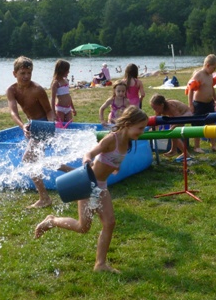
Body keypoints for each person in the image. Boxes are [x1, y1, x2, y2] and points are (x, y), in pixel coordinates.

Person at [34, 106, 149, 274]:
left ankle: (100, 264)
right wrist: (87, 158)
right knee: (83, 227)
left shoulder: (128, 141)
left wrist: (115, 166)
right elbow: (92, 152)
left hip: (102, 186)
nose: (142, 131)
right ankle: (51, 221)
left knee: (110, 223)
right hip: (88, 185)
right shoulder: (112, 139)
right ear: (128, 124)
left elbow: (114, 159)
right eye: (140, 128)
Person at [6, 56, 55, 209]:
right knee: (37, 160)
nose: (26, 76)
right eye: (22, 73)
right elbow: (13, 112)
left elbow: (48, 110)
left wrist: (51, 127)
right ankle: (83, 173)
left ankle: (44, 198)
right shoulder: (11, 90)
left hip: (43, 124)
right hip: (31, 125)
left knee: (28, 159)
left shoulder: (37, 90)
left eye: (29, 73)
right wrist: (23, 126)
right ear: (15, 74)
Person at [187, 54, 216, 153]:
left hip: (209, 103)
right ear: (207, 65)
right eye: (213, 68)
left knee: (212, 124)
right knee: (197, 125)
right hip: (199, 104)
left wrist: (215, 98)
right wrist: (190, 104)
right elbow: (191, 89)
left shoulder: (210, 75)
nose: (214, 70)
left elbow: (211, 87)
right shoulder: (199, 75)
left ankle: (214, 145)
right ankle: (196, 146)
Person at [149, 94, 193, 159]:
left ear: (161, 105)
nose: (154, 110)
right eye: (153, 108)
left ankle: (174, 150)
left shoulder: (171, 106)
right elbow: (156, 120)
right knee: (172, 132)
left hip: (185, 114)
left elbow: (178, 119)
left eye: (155, 108)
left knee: (172, 131)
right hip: (174, 117)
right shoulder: (160, 109)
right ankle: (183, 153)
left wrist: (173, 126)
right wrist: (153, 128)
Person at [51, 59, 76, 125]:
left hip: (68, 108)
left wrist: (73, 108)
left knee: (69, 125)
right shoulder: (56, 83)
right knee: (60, 126)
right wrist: (53, 113)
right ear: (62, 71)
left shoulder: (66, 80)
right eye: (67, 70)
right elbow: (53, 99)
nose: (68, 72)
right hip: (60, 109)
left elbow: (68, 96)